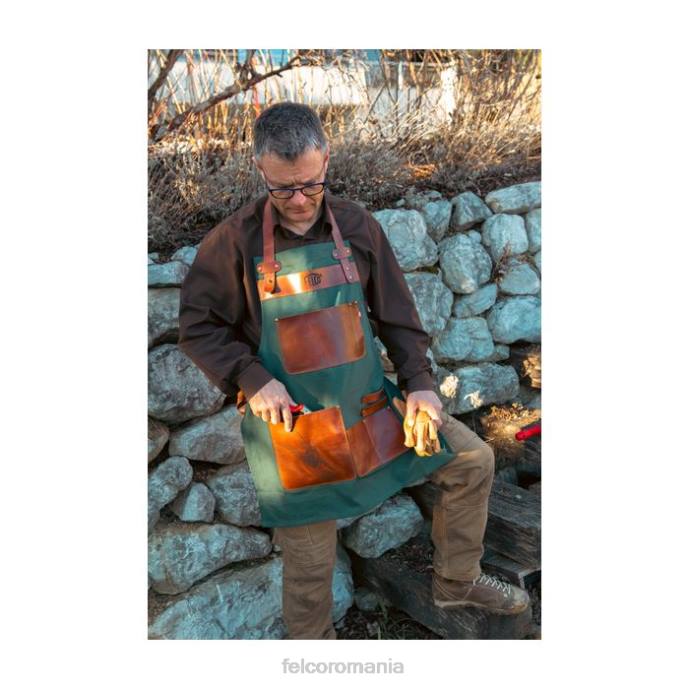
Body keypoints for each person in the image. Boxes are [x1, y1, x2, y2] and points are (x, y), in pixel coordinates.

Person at [177, 102, 530, 639]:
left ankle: (456, 580)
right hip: (298, 430)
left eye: (311, 185)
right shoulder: (234, 241)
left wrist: (420, 387)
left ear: (326, 161)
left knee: (472, 460)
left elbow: (398, 317)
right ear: (260, 169)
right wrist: (251, 378)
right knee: (310, 570)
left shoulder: (357, 226)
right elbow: (198, 327)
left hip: (370, 406)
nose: (300, 201)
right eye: (283, 189)